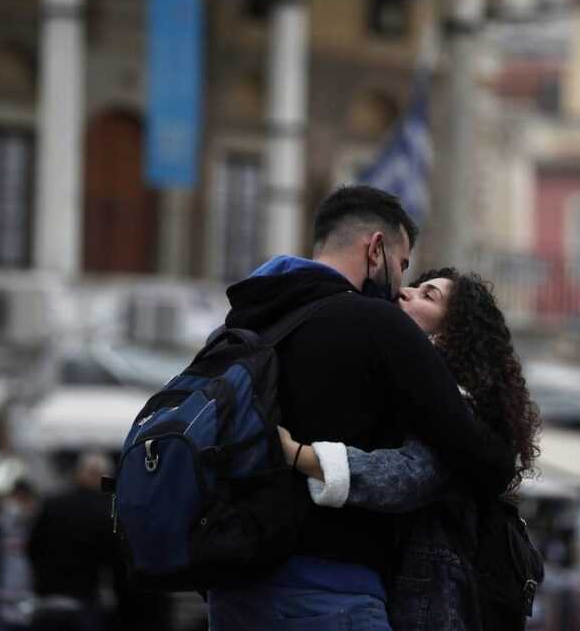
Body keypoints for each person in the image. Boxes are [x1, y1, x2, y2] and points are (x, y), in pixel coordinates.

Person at [205, 186, 515, 631]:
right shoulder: (380, 326)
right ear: (375, 249)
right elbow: (476, 459)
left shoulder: (241, 322)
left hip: (231, 585)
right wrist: (301, 456)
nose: (402, 289)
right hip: (330, 590)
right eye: (403, 266)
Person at [279, 268, 542, 630]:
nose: (405, 292)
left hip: (430, 602)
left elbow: (408, 475)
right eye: (414, 286)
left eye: (427, 295)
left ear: (453, 332)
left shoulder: (457, 408)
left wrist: (297, 454)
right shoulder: (413, 388)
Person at [26, 453, 115, 631]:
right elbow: (111, 559)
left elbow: (33, 548)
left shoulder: (51, 504)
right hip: (85, 603)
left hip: (48, 601)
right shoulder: (104, 512)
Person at [0, 479, 38, 631]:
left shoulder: (37, 525)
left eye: (24, 499)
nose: (20, 505)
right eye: (18, 498)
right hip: (3, 595)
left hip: (29, 595)